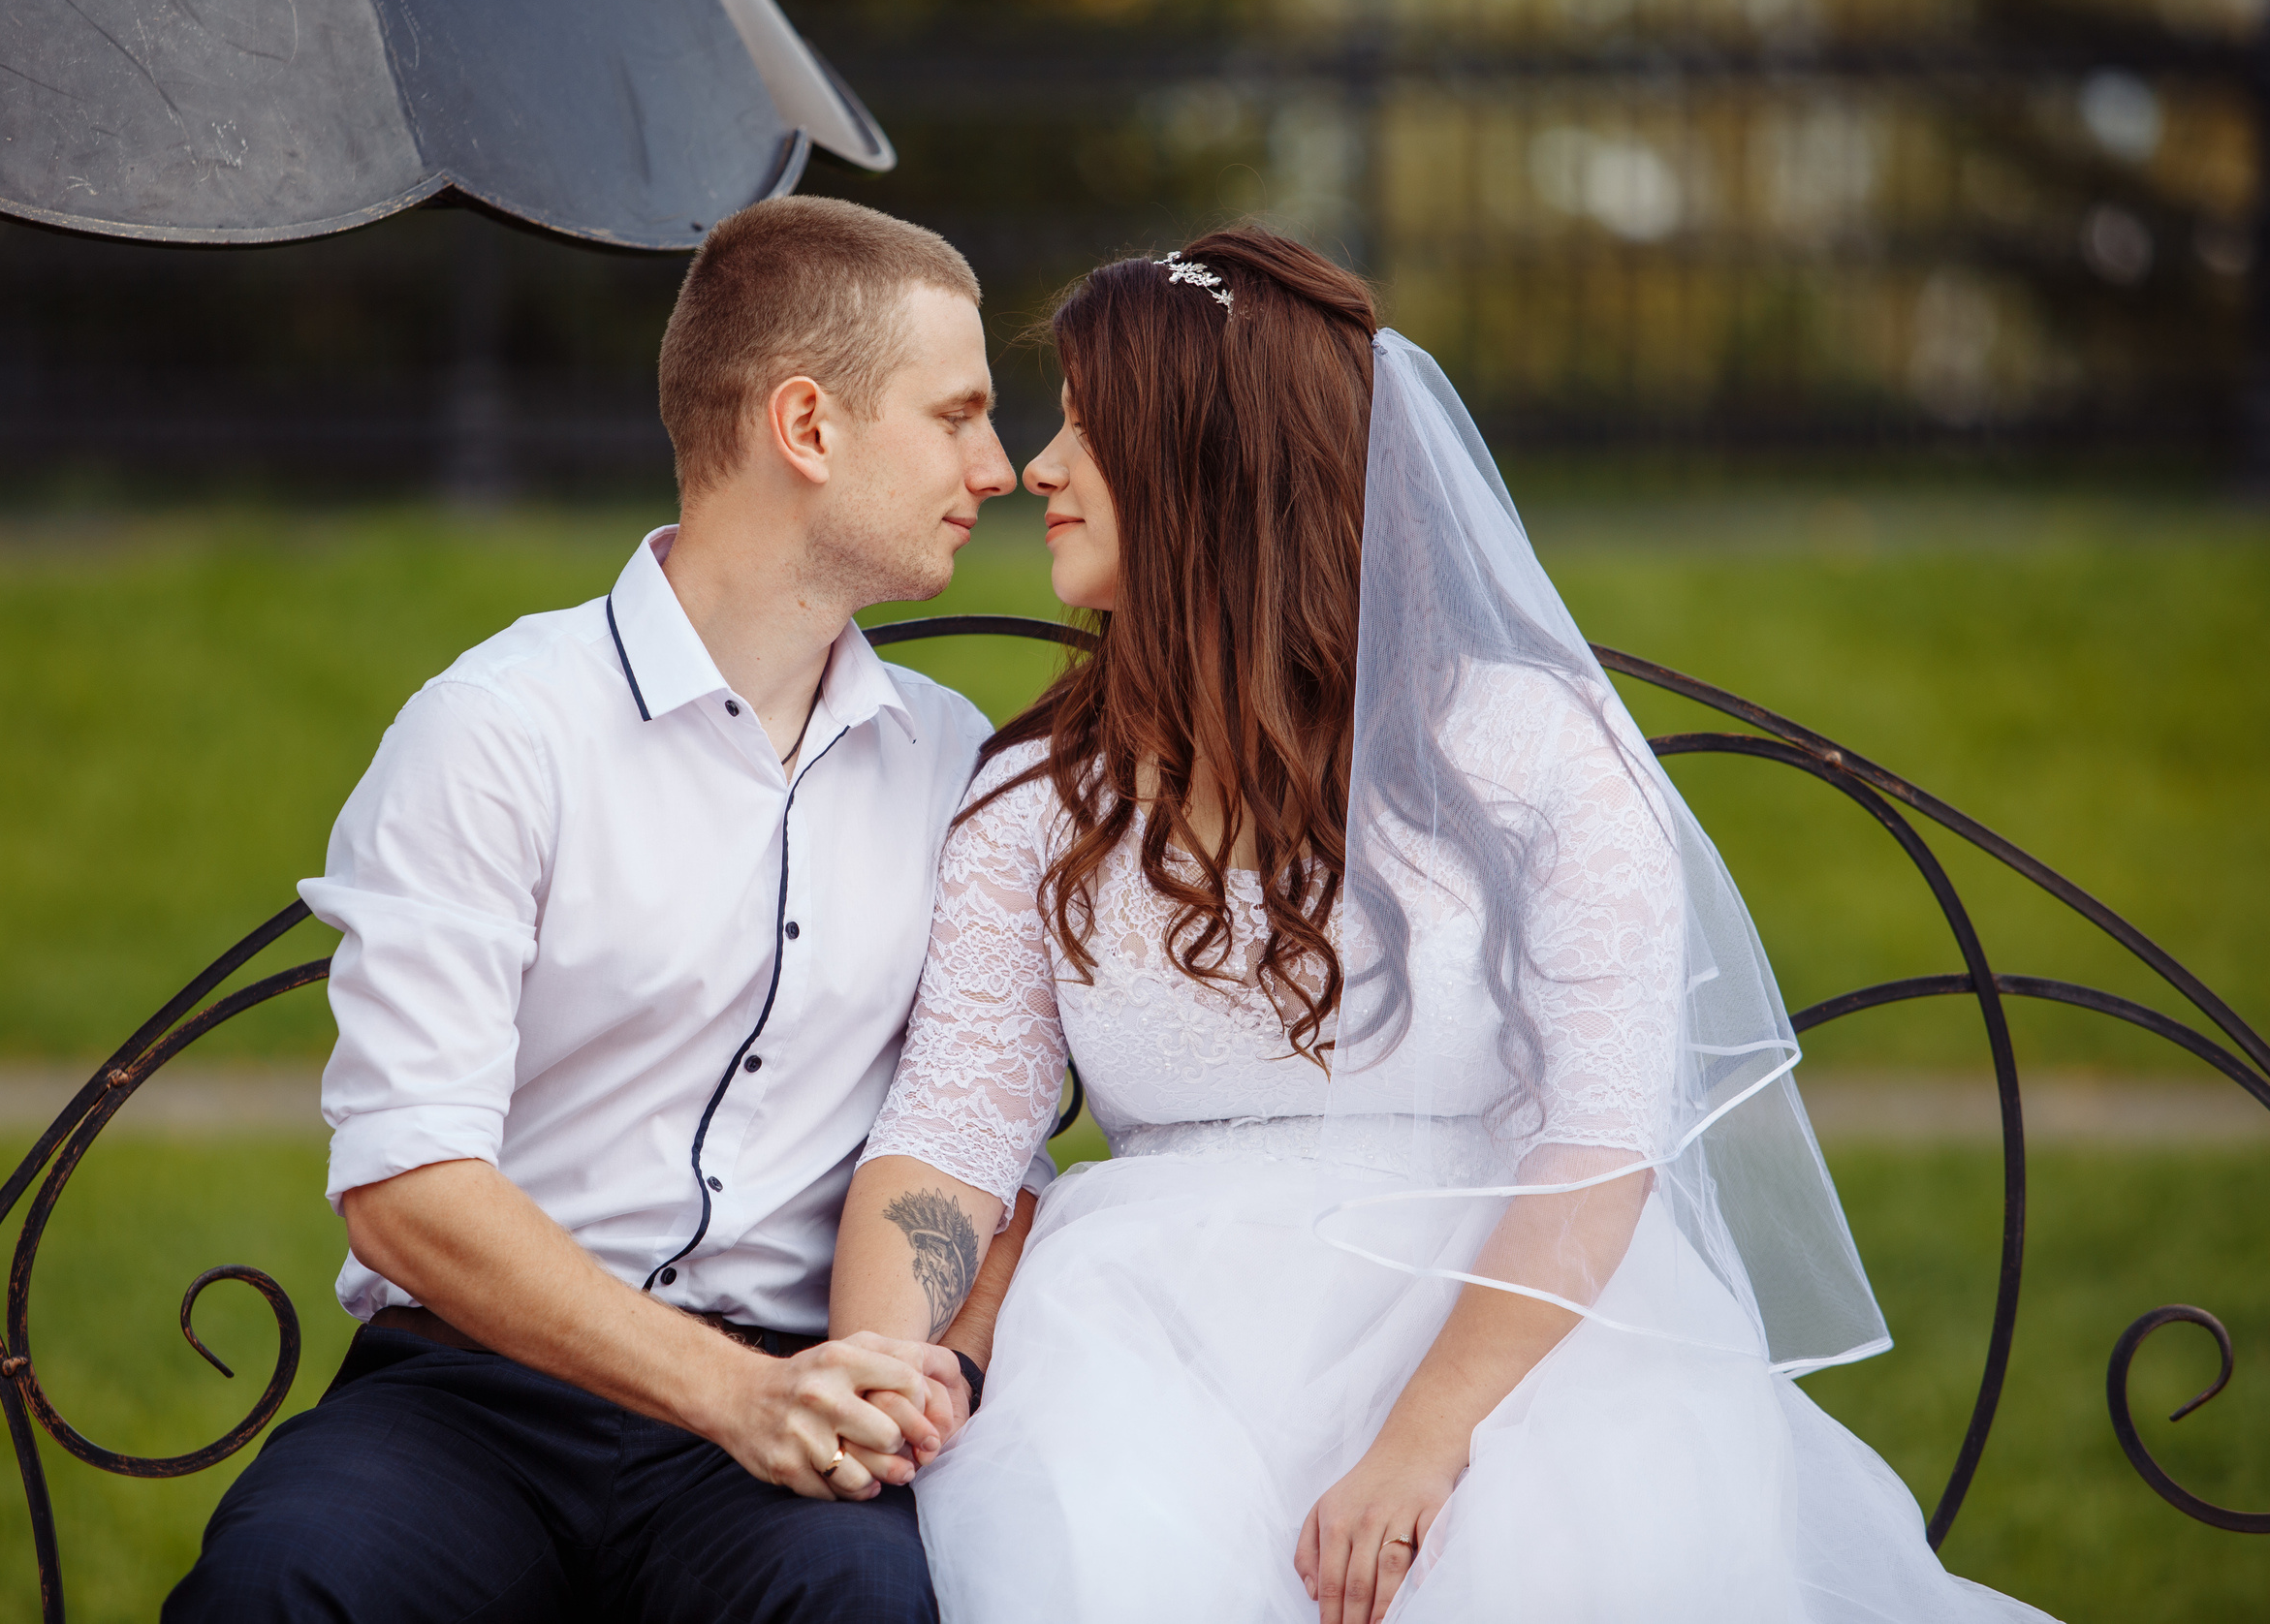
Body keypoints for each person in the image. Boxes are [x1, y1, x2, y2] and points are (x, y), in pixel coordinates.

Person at [827, 231, 2059, 1624]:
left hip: (1514, 1345)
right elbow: (948, 1133)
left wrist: (1420, 1451)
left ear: (1211, 467)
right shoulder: (1042, 800)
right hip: (1147, 1348)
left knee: (1553, 1557)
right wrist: (874, 1363)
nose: (1036, 467)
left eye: (1091, 432)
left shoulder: (1532, 748)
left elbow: (1601, 1141)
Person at [166, 195, 1040, 1623]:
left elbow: (985, 1146)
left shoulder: (955, 768)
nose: (995, 467)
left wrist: (932, 1371)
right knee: (283, 1588)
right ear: (808, 428)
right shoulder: (501, 731)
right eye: (955, 417)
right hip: (480, 1395)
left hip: (797, 1410)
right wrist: (730, 1394)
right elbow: (406, 1187)